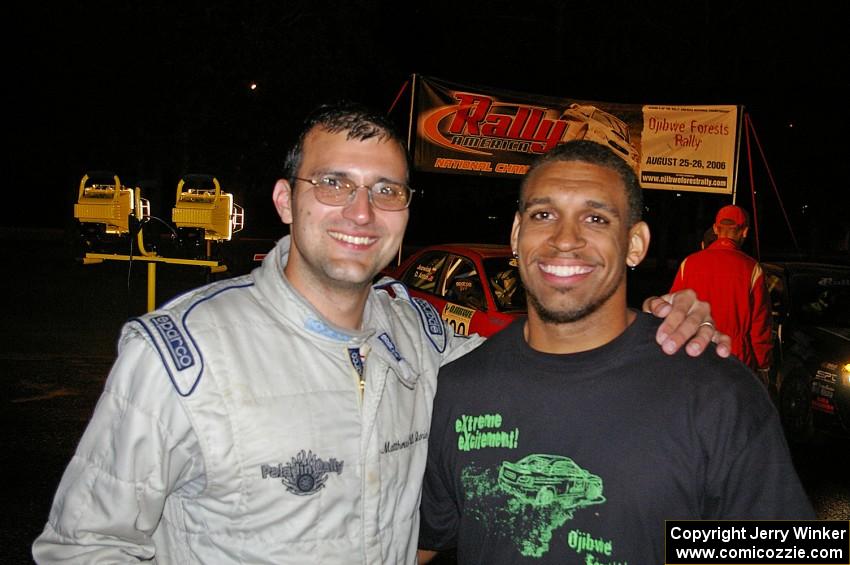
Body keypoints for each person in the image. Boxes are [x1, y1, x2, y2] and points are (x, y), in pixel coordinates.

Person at [34, 103, 727, 564]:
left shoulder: (425, 340)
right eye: (334, 182)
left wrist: (658, 326)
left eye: (387, 190)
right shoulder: (180, 356)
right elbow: (81, 545)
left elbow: (550, 358)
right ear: (286, 199)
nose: (361, 211)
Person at [418, 141, 813, 565]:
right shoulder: (459, 389)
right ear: (517, 235)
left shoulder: (714, 394)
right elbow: (419, 541)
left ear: (635, 244)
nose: (564, 239)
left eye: (595, 218)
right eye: (543, 215)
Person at [670, 204, 772, 383]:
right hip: (736, 361)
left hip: (694, 357)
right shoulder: (752, 269)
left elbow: (674, 313)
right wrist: (763, 365)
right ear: (745, 231)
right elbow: (760, 325)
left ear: (716, 229)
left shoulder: (689, 264)